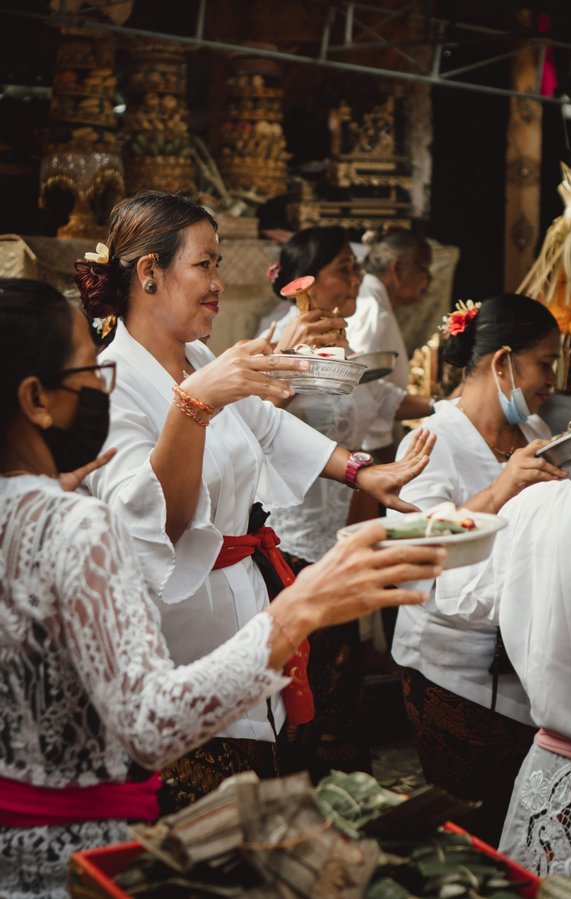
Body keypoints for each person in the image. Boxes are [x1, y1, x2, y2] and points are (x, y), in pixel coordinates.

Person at [0, 277, 446, 899]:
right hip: (73, 853)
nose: (102, 381)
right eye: (87, 370)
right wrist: (301, 609)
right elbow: (152, 725)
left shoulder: (41, 509)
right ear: (35, 399)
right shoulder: (74, 523)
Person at [75, 192, 436, 809]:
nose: (218, 283)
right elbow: (162, 521)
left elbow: (266, 427)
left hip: (247, 603)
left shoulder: (197, 357)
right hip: (181, 635)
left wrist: (359, 472)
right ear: (149, 274)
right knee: (209, 819)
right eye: (205, 265)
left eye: (218, 266)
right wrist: (192, 406)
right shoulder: (113, 385)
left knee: (265, 792)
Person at [391, 293, 567, 846]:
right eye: (545, 363)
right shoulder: (431, 440)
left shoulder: (536, 430)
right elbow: (412, 547)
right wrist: (499, 489)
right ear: (503, 362)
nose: (552, 380)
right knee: (475, 832)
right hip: (453, 677)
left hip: (527, 666)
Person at [261, 225, 433, 779]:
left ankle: (339, 792)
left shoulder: (341, 348)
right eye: (344, 268)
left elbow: (376, 396)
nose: (357, 277)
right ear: (303, 285)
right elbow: (255, 425)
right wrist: (280, 367)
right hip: (293, 538)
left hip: (342, 529)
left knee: (340, 668)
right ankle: (298, 789)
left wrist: (451, 407)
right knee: (306, 676)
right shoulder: (275, 345)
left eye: (356, 268)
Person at [436, 326, 571, 876]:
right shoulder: (538, 495)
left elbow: (456, 593)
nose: (550, 381)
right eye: (544, 363)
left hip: (561, 783)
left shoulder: (547, 506)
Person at [346, 227, 434, 459]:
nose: (429, 280)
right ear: (396, 269)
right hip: (365, 453)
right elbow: (362, 392)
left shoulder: (374, 303)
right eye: (424, 268)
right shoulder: (374, 313)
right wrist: (383, 460)